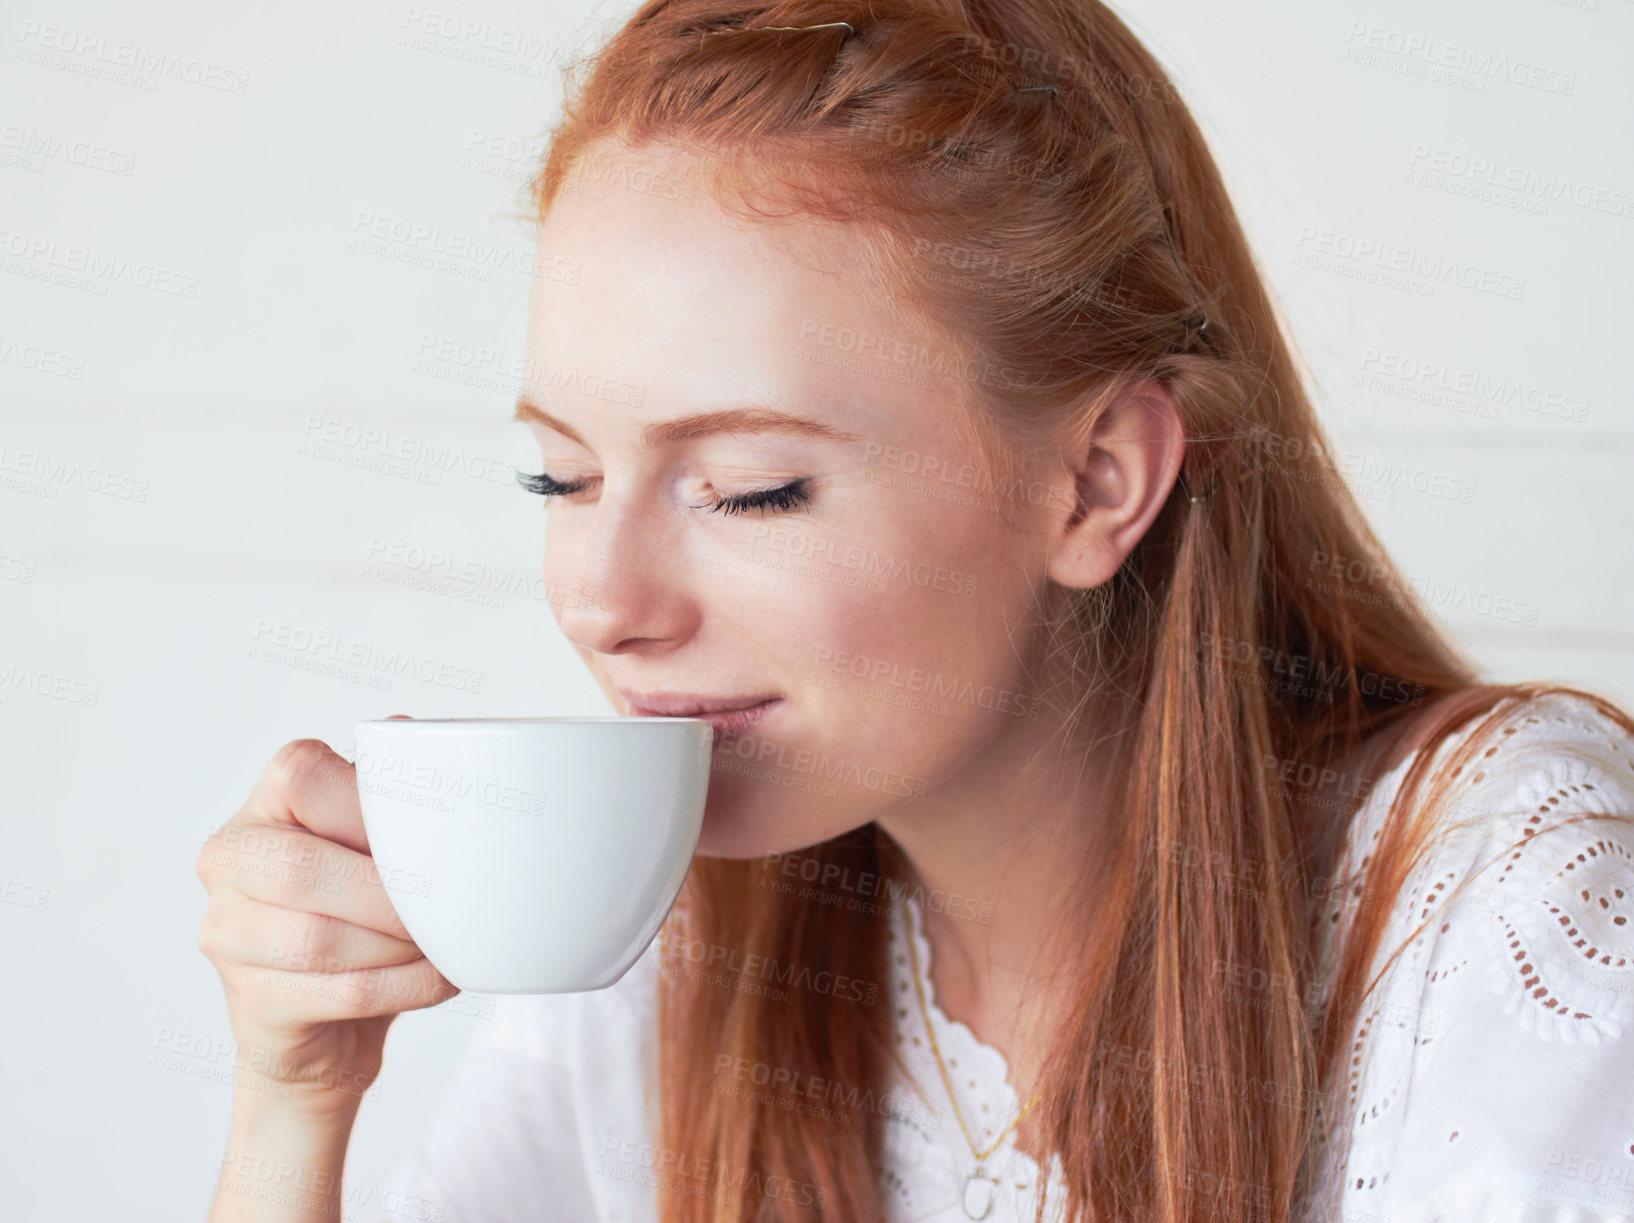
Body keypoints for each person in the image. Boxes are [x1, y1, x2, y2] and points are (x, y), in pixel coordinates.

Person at [193, 3, 1634, 1221]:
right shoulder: (668, 924)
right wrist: (292, 1100)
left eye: (750, 488)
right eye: (559, 474)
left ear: (1094, 483)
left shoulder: (1512, 917)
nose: (597, 599)